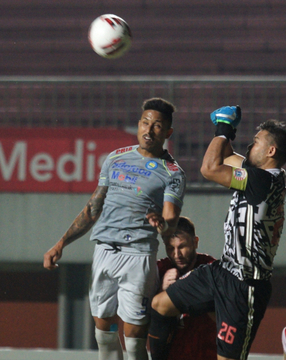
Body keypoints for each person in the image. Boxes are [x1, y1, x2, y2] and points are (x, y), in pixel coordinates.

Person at [43, 97, 186, 360]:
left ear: (168, 132)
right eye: (145, 123)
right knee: (103, 335)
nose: (148, 130)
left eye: (157, 126)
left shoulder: (172, 172)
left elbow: (171, 221)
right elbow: (92, 208)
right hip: (104, 253)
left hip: (138, 256)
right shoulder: (116, 158)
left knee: (133, 343)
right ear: (138, 124)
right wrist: (60, 244)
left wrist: (162, 223)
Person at [148, 105, 286, 360]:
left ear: (271, 151)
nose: (250, 146)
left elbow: (209, 169)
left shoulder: (262, 181)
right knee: (161, 306)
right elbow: (226, 155)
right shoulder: (263, 175)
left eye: (256, 142)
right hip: (222, 272)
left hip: (244, 287)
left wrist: (224, 128)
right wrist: (226, 135)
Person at [156, 216, 217, 360]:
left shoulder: (211, 269)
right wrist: (162, 291)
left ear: (195, 243)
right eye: (170, 248)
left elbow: (227, 318)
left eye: (182, 247)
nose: (176, 254)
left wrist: (196, 293)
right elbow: (144, 318)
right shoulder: (159, 270)